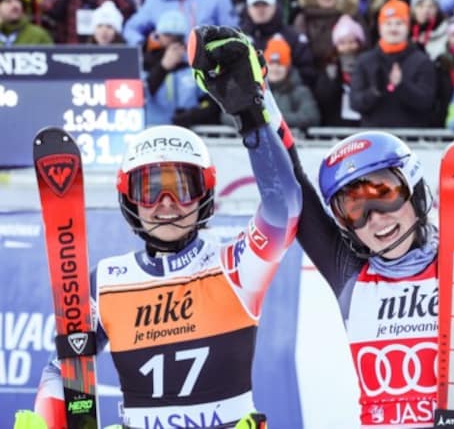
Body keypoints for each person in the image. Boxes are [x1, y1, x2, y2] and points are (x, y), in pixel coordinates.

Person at [187, 0, 454, 422]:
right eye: (353, 208)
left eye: (383, 194)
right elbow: (296, 188)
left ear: (416, 190)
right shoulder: (351, 276)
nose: (374, 220)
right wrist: (254, 106)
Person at [29, 28, 301, 428]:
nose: (166, 205)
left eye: (183, 189)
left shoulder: (234, 265)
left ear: (205, 194)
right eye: (150, 190)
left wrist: (251, 117)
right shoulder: (105, 281)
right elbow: (64, 368)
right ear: (129, 198)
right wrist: (48, 420)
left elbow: (284, 208)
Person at [350, 0, 437, 127]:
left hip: (411, 140)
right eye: (388, 23)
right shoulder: (365, 61)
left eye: (399, 23)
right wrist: (375, 92)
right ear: (380, 27)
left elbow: (427, 102)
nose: (393, 29)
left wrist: (401, 86)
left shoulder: (422, 62)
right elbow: (355, 103)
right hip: (375, 138)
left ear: (407, 27)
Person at [264, 35, 321, 130]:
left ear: (287, 68)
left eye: (280, 64)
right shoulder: (256, 91)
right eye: (271, 63)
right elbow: (233, 115)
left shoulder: (300, 92)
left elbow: (311, 117)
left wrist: (273, 119)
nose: (275, 68)